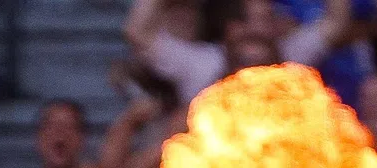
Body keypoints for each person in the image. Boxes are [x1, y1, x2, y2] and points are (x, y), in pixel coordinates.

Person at [124, 0, 352, 104]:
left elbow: (337, 21)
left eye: (264, 19)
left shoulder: (292, 56)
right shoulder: (199, 64)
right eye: (244, 20)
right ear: (227, 27)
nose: (255, 29)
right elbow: (137, 31)